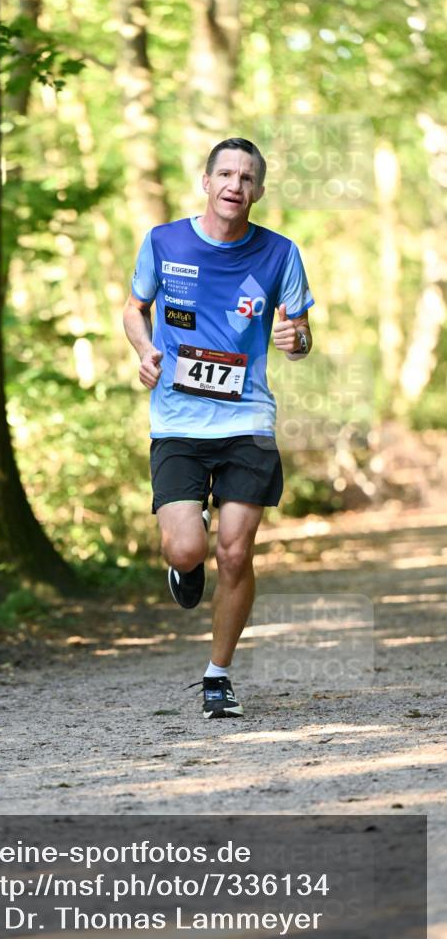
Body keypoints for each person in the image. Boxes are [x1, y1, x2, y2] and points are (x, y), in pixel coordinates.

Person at [122, 137, 314, 719]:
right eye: (226, 174)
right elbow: (134, 308)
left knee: (235, 553)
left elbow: (300, 335)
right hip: (178, 420)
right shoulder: (164, 241)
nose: (236, 185)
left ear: (259, 190)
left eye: (247, 177)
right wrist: (144, 351)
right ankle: (184, 559)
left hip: (247, 420)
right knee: (187, 550)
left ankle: (218, 675)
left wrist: (296, 338)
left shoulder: (280, 253)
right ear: (206, 182)